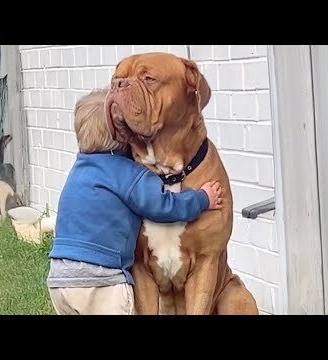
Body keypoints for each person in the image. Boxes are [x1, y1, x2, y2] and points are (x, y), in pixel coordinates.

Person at [46, 89, 223, 315]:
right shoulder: (127, 173)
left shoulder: (79, 169)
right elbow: (162, 206)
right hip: (102, 279)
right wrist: (202, 199)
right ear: (124, 135)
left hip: (60, 278)